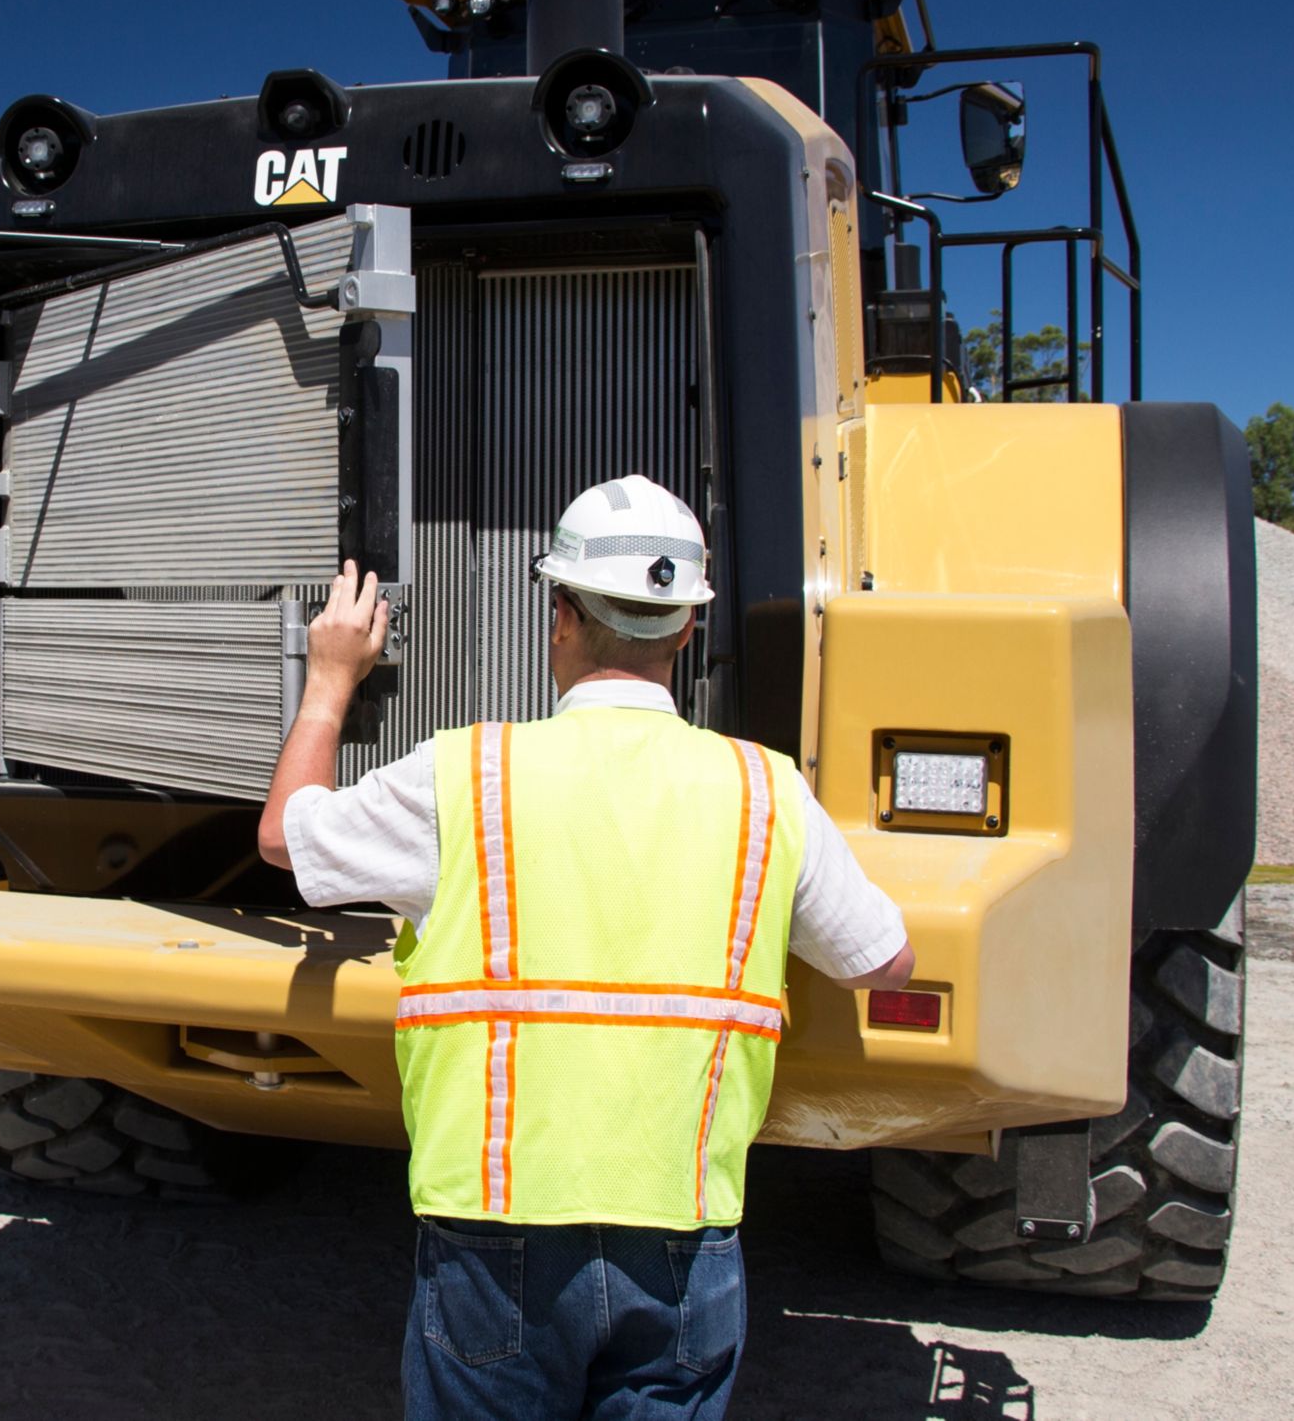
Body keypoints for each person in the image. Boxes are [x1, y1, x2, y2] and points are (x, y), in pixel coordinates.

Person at [257, 474, 913, 1421]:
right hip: (685, 1235)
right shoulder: (767, 793)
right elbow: (882, 961)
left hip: (492, 1232)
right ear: (688, 628)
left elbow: (287, 835)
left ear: (558, 616)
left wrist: (330, 679)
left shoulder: (467, 774)